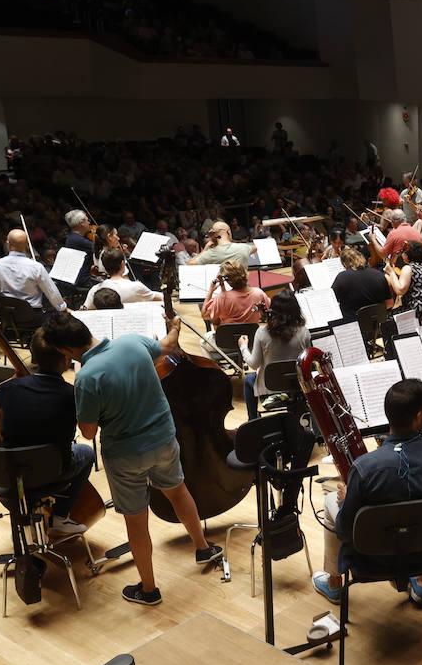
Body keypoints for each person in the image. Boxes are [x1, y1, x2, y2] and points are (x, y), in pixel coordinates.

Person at [45, 312, 223, 606]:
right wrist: (176, 326)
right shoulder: (132, 343)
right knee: (178, 493)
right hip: (164, 438)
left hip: (125, 455)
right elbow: (167, 346)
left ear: (64, 350)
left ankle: (149, 590)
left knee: (137, 522)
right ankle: (203, 547)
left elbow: (88, 433)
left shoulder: (86, 377)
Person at [312, 379, 422, 608]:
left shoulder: (364, 466)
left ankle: (335, 584)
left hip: (372, 559)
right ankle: (420, 581)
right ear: (419, 416)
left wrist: (349, 501)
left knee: (330, 499)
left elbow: (344, 529)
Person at [0, 329, 95, 537]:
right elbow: (88, 434)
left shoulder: (11, 388)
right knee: (86, 452)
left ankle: (20, 508)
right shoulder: (71, 394)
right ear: (66, 358)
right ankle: (60, 518)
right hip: (53, 471)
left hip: (11, 473)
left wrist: (13, 379)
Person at [238, 291, 310, 420]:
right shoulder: (304, 332)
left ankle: (253, 420)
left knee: (249, 378)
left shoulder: (261, 332)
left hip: (269, 390)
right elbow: (307, 361)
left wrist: (243, 346)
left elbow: (254, 364)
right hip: (297, 388)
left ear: (273, 311)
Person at [0, 229, 68, 314]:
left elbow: (1, 288)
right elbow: (52, 292)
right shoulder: (36, 267)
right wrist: (63, 308)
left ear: (8, 244)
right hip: (32, 316)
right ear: (28, 245)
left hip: (8, 315)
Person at [82, 248, 163, 309]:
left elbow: (85, 311)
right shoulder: (136, 287)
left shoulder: (95, 290)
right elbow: (161, 298)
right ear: (122, 263)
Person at [201, 259, 268, 327]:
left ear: (227, 280)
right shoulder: (259, 293)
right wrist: (222, 286)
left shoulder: (221, 298)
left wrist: (211, 291)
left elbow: (204, 315)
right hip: (251, 336)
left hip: (228, 337)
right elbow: (267, 309)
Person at [387, 241, 422, 321]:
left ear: (406, 255)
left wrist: (391, 272)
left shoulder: (408, 268)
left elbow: (400, 290)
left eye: (402, 252)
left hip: (417, 310)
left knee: (387, 317)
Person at [331, 247, 391, 320]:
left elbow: (332, 302)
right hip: (378, 323)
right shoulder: (378, 274)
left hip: (353, 325)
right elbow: (390, 303)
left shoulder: (342, 277)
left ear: (344, 264)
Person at [62, 209, 97, 289]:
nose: (89, 223)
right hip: (83, 281)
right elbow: (101, 249)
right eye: (88, 220)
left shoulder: (72, 237)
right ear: (81, 223)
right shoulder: (78, 240)